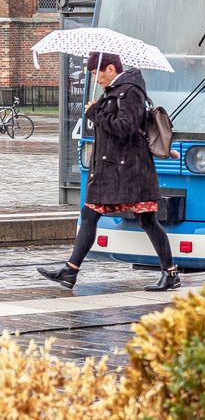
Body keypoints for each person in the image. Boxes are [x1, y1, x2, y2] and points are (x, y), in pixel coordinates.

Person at [38, 53, 180, 291]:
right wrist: (99, 109)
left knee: (147, 220)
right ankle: (70, 270)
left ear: (111, 68)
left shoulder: (130, 91)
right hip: (112, 170)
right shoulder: (116, 90)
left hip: (130, 171)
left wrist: (95, 112)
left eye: (96, 73)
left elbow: (125, 127)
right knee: (90, 214)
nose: (97, 78)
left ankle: (170, 273)